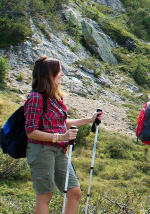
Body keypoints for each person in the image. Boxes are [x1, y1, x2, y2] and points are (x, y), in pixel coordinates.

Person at [23, 56, 103, 214]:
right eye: (59, 71)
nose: (62, 74)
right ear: (49, 75)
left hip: (59, 150)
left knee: (74, 192)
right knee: (45, 195)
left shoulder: (55, 97)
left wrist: (89, 119)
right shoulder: (35, 98)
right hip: (41, 150)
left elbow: (61, 123)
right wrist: (61, 137)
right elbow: (31, 131)